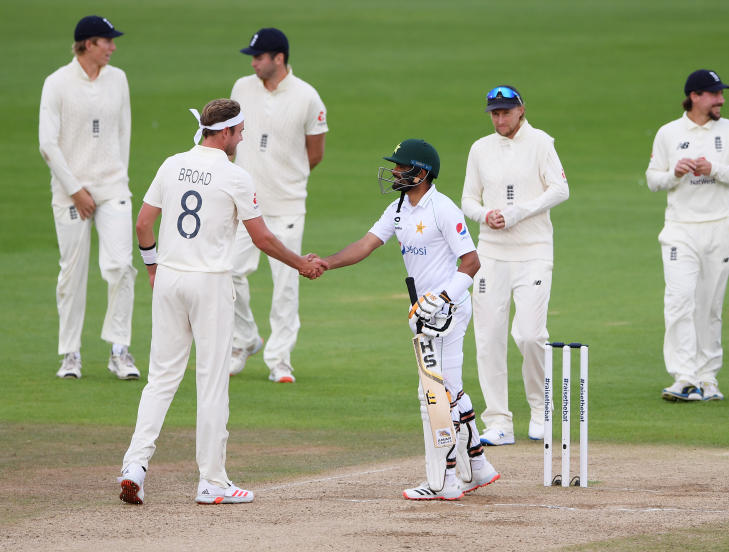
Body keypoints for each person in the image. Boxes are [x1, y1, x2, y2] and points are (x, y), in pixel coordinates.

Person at [118, 99, 325, 505]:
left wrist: (152, 267)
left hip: (171, 278)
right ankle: (212, 482)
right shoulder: (235, 176)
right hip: (210, 283)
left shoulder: (171, 163)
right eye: (240, 130)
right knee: (211, 383)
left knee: (161, 379)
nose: (243, 137)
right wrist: (301, 264)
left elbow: (143, 223)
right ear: (225, 132)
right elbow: (262, 238)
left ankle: (134, 467)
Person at [321, 139, 499, 500]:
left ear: (421, 172)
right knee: (447, 388)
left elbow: (472, 263)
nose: (395, 172)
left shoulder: (444, 210)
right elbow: (365, 244)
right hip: (424, 315)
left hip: (448, 310)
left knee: (433, 394)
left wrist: (443, 298)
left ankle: (445, 482)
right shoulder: (398, 207)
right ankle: (478, 467)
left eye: (401, 167)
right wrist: (326, 263)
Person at [461, 85, 569, 446]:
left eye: (506, 112)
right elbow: (467, 200)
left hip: (534, 251)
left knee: (529, 334)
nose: (500, 119)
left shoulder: (541, 143)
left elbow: (560, 190)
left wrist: (518, 212)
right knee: (489, 337)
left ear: (521, 110)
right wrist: (485, 214)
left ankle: (541, 411)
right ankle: (498, 421)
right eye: (494, 112)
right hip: (491, 253)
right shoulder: (480, 148)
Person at [645, 69, 729, 402]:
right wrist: (674, 173)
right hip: (680, 229)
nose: (721, 99)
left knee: (709, 306)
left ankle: (708, 378)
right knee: (679, 301)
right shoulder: (669, 133)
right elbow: (653, 179)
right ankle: (684, 376)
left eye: (721, 94)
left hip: (720, 229)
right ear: (695, 96)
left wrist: (715, 170)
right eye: (714, 94)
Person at [39, 15, 139, 380]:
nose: (112, 47)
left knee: (121, 267)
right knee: (72, 273)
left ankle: (119, 350)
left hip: (113, 187)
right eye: (106, 41)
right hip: (70, 192)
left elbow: (123, 132)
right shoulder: (57, 83)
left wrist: (117, 178)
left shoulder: (119, 79)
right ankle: (70, 354)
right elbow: (47, 143)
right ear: (86, 45)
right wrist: (75, 189)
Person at [228, 27, 329, 383]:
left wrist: (287, 178)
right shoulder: (242, 88)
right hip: (245, 204)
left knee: (286, 282)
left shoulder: (307, 97)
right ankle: (244, 340)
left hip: (287, 205)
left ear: (279, 58)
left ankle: (279, 359)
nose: (254, 63)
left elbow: (314, 154)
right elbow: (231, 138)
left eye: (259, 57)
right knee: (229, 272)